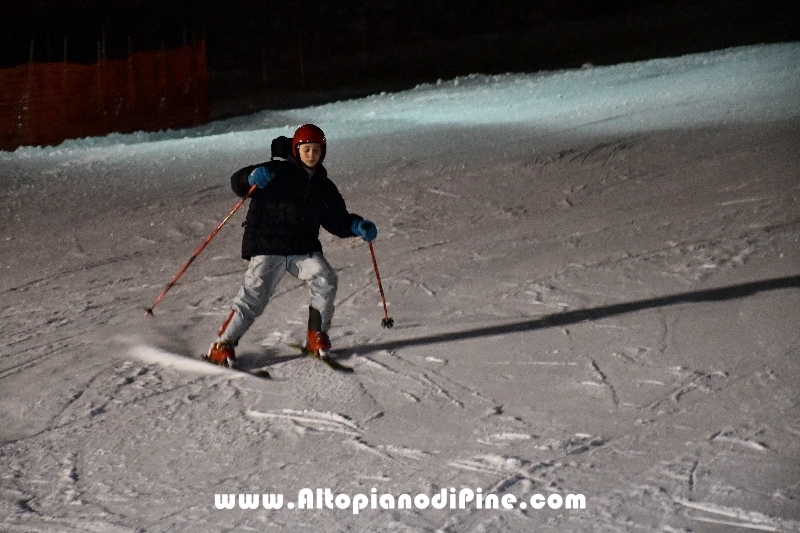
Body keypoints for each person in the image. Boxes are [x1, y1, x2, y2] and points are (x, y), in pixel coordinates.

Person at [206, 124, 377, 367]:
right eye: (306, 149)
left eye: (316, 150)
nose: (311, 155)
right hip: (268, 243)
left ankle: (316, 336)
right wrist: (251, 177)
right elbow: (238, 182)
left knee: (325, 279)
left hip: (302, 248)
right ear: (296, 150)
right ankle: (222, 345)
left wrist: (356, 225)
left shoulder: (323, 186)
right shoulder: (277, 170)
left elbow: (337, 220)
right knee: (255, 295)